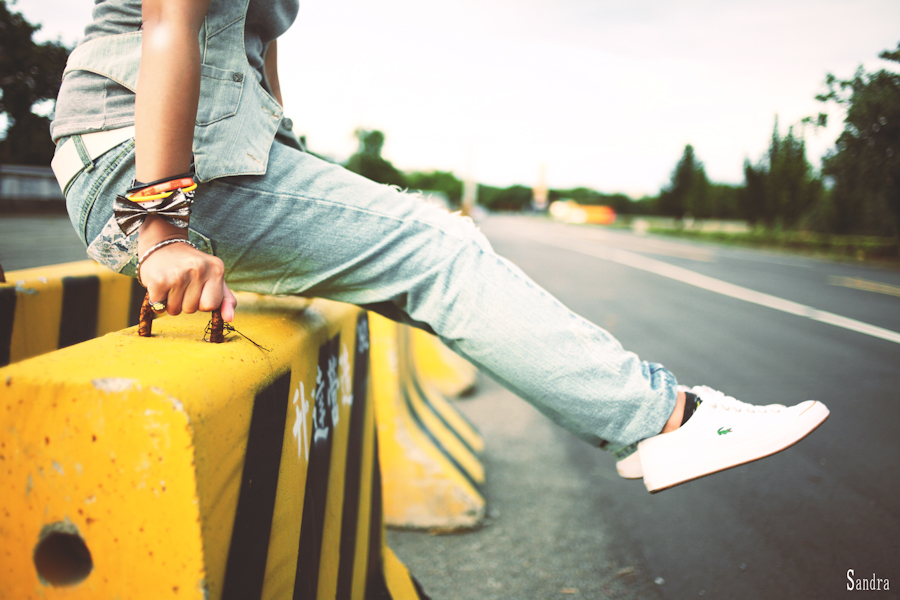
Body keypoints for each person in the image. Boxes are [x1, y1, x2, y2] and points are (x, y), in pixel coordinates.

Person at [50, 0, 828, 493]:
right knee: (441, 251)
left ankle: (656, 416)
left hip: (218, 155)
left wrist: (314, 199)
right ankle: (669, 421)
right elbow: (168, 22)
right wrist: (161, 230)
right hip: (140, 158)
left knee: (431, 242)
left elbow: (262, 78)